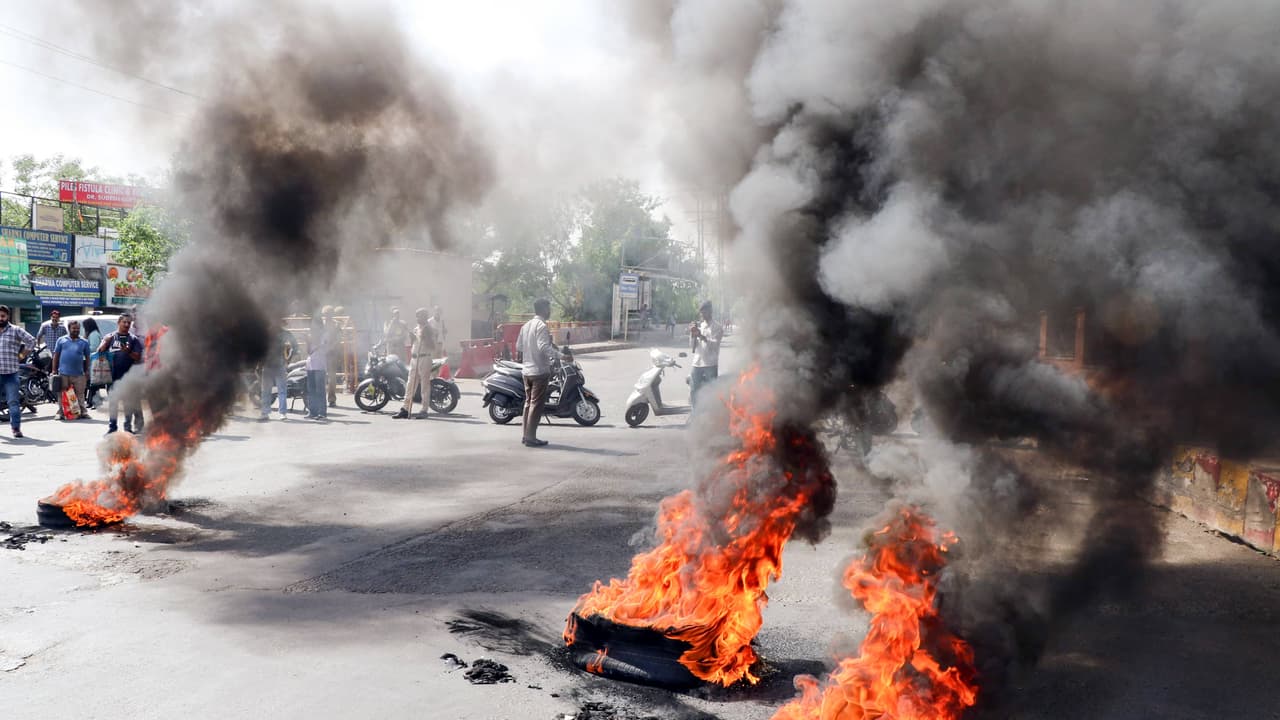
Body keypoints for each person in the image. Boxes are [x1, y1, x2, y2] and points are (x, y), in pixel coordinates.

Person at [516, 298, 556, 447]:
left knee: (528, 403)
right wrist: (560, 355)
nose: (550, 311)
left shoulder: (526, 325)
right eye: (549, 308)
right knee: (536, 405)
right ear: (544, 309)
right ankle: (531, 438)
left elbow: (519, 346)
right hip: (539, 371)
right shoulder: (541, 326)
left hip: (527, 371)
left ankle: (525, 435)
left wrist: (530, 350)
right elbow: (543, 347)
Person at [98, 314, 144, 434]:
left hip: (128, 377)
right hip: (112, 376)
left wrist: (128, 352)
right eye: (124, 322)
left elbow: (138, 357)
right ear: (118, 322)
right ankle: (112, 427)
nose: (127, 324)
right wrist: (106, 342)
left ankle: (127, 428)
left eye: (129, 322)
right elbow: (100, 351)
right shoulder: (110, 337)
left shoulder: (133, 339)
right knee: (113, 403)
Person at [392, 308, 436, 420]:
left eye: (419, 316)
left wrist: (426, 337)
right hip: (414, 359)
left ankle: (424, 410)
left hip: (424, 358)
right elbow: (414, 344)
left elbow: (433, 346)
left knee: (424, 385)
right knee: (410, 384)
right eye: (416, 316)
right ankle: (405, 409)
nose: (417, 318)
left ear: (425, 316)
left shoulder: (429, 329)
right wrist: (412, 339)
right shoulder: (416, 329)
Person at [0, 305, 36, 438]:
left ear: (7, 316)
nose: (0, 318)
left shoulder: (15, 330)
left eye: (3, 316)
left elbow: (31, 341)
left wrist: (21, 355)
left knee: (13, 402)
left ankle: (16, 428)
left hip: (11, 373)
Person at [52, 319, 91, 420]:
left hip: (79, 373)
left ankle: (83, 412)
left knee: (80, 394)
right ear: (69, 329)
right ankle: (60, 413)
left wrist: (87, 370)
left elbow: (88, 357)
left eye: (78, 328)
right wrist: (54, 370)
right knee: (62, 394)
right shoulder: (61, 340)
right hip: (63, 373)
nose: (76, 330)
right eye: (74, 328)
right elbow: (56, 356)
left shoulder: (84, 342)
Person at [689, 300, 723, 407]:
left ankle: (711, 414)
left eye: (705, 311)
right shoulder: (700, 325)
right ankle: (695, 414)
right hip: (697, 363)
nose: (702, 314)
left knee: (711, 392)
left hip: (710, 364)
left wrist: (701, 336)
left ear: (710, 311)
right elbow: (692, 346)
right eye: (701, 312)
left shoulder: (717, 327)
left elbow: (715, 345)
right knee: (694, 391)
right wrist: (692, 334)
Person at [260, 322, 297, 421]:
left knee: (279, 391)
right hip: (268, 365)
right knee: (268, 391)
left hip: (278, 365)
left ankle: (280, 413)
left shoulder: (284, 333)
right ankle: (267, 412)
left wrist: (288, 359)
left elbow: (294, 347)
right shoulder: (266, 333)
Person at [305, 314, 330, 420]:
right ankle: (312, 411)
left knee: (320, 390)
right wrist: (307, 341)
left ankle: (322, 412)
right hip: (310, 364)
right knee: (311, 389)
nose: (312, 326)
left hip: (320, 364)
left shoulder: (325, 335)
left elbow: (325, 346)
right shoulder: (310, 335)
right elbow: (308, 351)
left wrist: (312, 339)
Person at [82, 317, 104, 409]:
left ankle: (95, 402)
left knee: (93, 383)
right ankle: (91, 401)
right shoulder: (92, 334)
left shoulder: (93, 334)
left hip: (94, 361)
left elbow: (94, 348)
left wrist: (83, 348)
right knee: (91, 383)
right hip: (92, 361)